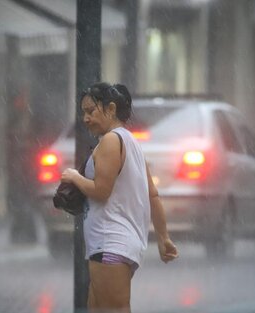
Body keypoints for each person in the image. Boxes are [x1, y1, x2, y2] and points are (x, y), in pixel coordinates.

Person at [61, 82, 178, 312]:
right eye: (83, 112)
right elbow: (152, 195)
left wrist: (75, 177)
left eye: (90, 111)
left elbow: (101, 191)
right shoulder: (131, 142)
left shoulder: (110, 141)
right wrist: (163, 238)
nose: (85, 118)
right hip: (118, 244)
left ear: (111, 109)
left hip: (110, 243)